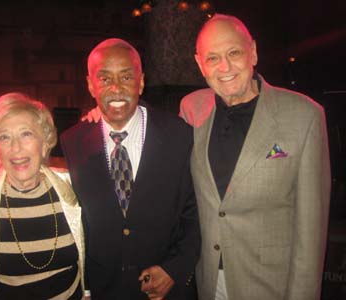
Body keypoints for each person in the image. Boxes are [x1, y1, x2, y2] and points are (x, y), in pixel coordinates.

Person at [179, 14, 331, 300]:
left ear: (253, 52)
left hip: (271, 285)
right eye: (212, 58)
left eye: (233, 53)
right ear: (200, 64)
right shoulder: (191, 109)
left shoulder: (305, 116)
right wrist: (108, 118)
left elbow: (311, 230)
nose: (224, 67)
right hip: (208, 280)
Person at [60, 38, 200, 300]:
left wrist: (175, 269)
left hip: (168, 292)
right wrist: (85, 287)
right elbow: (78, 222)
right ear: (91, 85)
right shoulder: (73, 142)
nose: (115, 88)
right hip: (104, 291)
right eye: (104, 79)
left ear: (141, 82)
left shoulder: (179, 135)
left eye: (126, 77)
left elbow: (196, 212)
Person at [0, 93, 87, 299]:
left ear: (46, 142)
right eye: (4, 137)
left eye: (26, 134)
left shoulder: (75, 185)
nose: (16, 148)